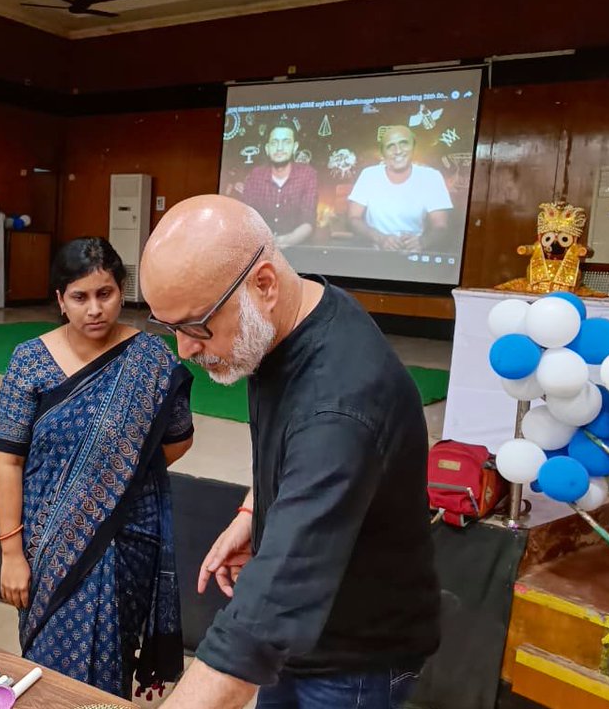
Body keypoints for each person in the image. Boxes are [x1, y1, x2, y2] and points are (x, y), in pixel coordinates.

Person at [139, 195, 439, 709]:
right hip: (303, 640)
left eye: (195, 325)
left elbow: (260, 626)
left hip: (353, 657)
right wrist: (255, 510)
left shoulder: (339, 405)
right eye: (170, 328)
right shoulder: (292, 317)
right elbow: (300, 450)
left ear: (264, 284)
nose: (184, 349)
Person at [0, 237, 194, 698]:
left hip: (126, 540)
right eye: (80, 297)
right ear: (60, 300)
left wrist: (118, 477)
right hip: (48, 545)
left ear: (122, 291)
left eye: (105, 293)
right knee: (48, 669)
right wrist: (11, 553)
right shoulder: (30, 361)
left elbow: (179, 439)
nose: (95, 309)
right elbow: (8, 460)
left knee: (113, 659)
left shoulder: (151, 359)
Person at [348, 125, 452, 252]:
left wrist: (422, 242)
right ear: (382, 153)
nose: (398, 151)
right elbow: (354, 219)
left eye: (404, 143)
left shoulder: (431, 177)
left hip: (415, 253)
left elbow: (440, 226)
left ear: (413, 146)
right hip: (376, 253)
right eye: (390, 146)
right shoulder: (369, 175)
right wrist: (381, 239)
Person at [234, 125, 318, 248]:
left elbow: (308, 221)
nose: (279, 148)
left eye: (286, 142)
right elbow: (246, 217)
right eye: (274, 142)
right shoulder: (256, 175)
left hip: (296, 249)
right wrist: (265, 245)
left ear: (295, 147)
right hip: (260, 248)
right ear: (267, 148)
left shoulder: (307, 175)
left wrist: (286, 241)